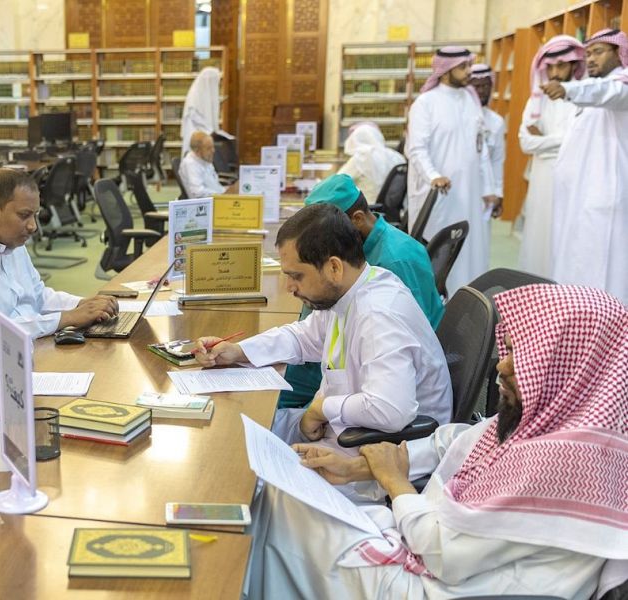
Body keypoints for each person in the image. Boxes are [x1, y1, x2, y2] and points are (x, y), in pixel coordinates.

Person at [246, 284, 627, 600]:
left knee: (279, 515)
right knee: (279, 500)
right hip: (433, 541)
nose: (502, 366)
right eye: (507, 351)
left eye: (520, 356)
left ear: (568, 365)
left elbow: (445, 556)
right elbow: (456, 439)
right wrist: (358, 468)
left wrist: (395, 483)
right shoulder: (561, 416)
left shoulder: (565, 461)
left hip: (442, 585)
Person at [194, 203, 452, 446]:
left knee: (241, 453)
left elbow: (391, 410)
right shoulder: (352, 289)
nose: (290, 287)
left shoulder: (378, 315)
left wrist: (321, 409)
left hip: (379, 449)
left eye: (296, 276)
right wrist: (238, 351)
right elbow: (303, 337)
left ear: (334, 268)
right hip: (348, 427)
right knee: (233, 429)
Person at [279, 175, 447, 409]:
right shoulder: (357, 260)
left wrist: (321, 410)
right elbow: (315, 329)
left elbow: (391, 382)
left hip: (374, 381)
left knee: (266, 400)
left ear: (356, 219)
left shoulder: (394, 262)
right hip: (340, 361)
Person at [0, 168, 118, 344]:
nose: (33, 226)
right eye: (24, 215)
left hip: (37, 341)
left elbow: (38, 295)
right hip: (2, 353)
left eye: (35, 215)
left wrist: (82, 304)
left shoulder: (10, 240)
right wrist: (67, 318)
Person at [544, 28, 628, 304]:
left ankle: (609, 324)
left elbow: (607, 92)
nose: (591, 59)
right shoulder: (591, 90)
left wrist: (568, 89)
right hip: (579, 200)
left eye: (599, 52)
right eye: (588, 53)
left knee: (604, 273)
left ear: (619, 52)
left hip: (605, 201)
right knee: (576, 267)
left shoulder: (620, 86)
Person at [406, 47, 496, 293]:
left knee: (469, 250)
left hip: (470, 194)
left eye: (469, 65)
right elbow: (416, 149)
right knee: (440, 252)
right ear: (445, 70)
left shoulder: (470, 99)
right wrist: (434, 176)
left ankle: (469, 300)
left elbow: (481, 148)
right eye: (463, 67)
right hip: (439, 196)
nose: (469, 72)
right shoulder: (425, 103)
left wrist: (489, 187)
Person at [517, 35, 586, 278]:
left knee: (567, 237)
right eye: (551, 67)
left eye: (562, 65)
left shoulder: (583, 98)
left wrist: (544, 140)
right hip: (541, 180)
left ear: (574, 64)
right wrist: (562, 140)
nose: (555, 73)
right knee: (538, 237)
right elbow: (525, 142)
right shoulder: (537, 99)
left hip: (573, 179)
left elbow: (578, 142)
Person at [470, 64, 507, 215]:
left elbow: (497, 161)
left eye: (485, 86)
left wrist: (498, 193)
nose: (481, 91)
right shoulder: (458, 118)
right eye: (476, 87)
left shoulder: (496, 121)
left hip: (485, 192)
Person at [337, 122, 405, 203]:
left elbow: (336, 182)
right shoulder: (396, 156)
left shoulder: (362, 157)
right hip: (389, 207)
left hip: (365, 206)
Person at [179, 67, 221, 157]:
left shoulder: (205, 93)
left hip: (204, 136)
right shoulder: (195, 93)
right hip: (195, 135)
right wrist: (209, 130)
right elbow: (194, 115)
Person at [179, 131, 226, 198]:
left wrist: (226, 190)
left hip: (217, 197)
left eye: (213, 147)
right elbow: (198, 192)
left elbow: (214, 185)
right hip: (206, 202)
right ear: (197, 150)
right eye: (209, 148)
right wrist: (221, 195)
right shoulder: (190, 164)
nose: (213, 150)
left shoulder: (205, 160)